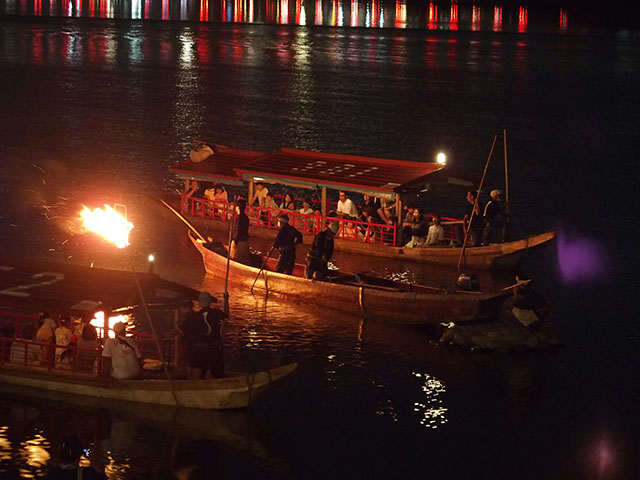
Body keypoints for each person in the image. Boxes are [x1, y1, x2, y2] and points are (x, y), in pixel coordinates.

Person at [180, 292, 225, 379]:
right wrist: (226, 300)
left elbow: (182, 331)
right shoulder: (215, 313)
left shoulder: (196, 316)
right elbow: (226, 315)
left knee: (200, 369)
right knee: (217, 372)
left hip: (202, 349)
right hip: (213, 348)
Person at [230, 199, 250, 264]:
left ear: (238, 208)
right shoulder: (246, 218)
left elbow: (238, 230)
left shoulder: (239, 218)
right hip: (245, 241)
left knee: (236, 260)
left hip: (239, 242)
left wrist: (235, 241)